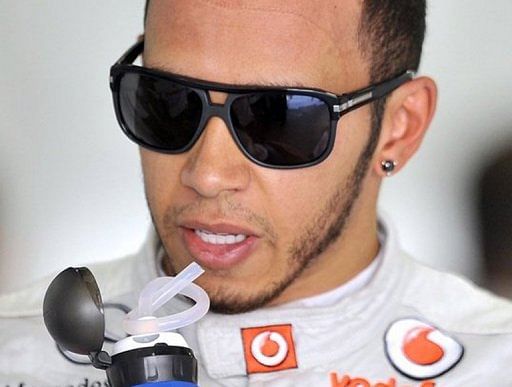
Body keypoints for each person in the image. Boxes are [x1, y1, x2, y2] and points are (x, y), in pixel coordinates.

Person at [1, 1, 511, 385]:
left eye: (279, 118)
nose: (208, 174)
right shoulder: (15, 351)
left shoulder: (494, 364)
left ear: (399, 127)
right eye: (170, 101)